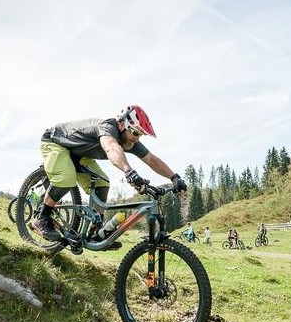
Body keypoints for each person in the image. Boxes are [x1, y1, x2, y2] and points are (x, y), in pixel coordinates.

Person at [30, 105, 187, 246]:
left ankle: (96, 232)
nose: (137, 138)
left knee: (102, 182)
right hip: (55, 142)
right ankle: (42, 218)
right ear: (122, 124)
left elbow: (151, 159)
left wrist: (174, 177)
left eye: (140, 135)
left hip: (78, 153)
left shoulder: (130, 141)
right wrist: (128, 171)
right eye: (135, 132)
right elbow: (111, 147)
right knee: (66, 178)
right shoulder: (107, 128)